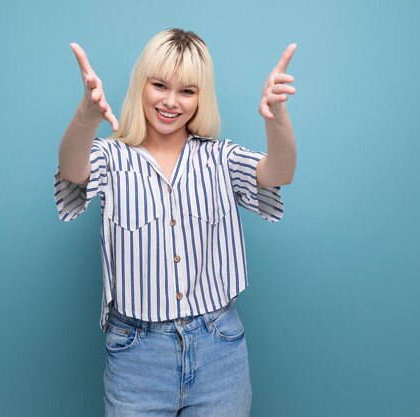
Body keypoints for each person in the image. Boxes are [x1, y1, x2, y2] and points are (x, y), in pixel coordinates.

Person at [55, 28, 297, 417]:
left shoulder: (220, 158)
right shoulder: (112, 158)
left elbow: (279, 172)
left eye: (187, 91)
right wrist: (86, 117)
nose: (171, 101)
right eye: (160, 85)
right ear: (142, 86)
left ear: (202, 98)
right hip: (136, 355)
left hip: (219, 347)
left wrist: (278, 118)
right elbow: (73, 168)